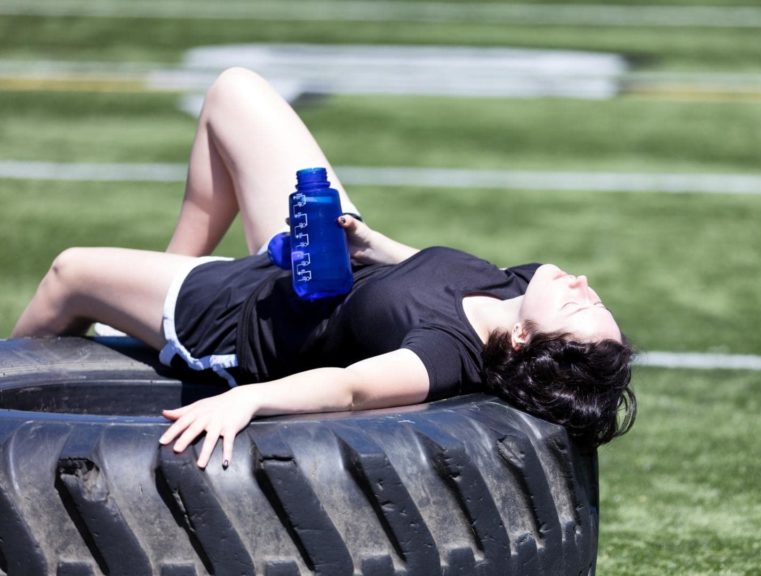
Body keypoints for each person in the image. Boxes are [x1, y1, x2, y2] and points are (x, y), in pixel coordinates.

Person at [11, 67, 636, 469]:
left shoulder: (441, 355)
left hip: (243, 316)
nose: (581, 285)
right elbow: (430, 272)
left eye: (577, 307)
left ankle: (10, 419)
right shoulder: (522, 288)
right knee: (234, 92)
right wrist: (369, 241)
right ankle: (166, 272)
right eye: (594, 298)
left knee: (69, 274)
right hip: (325, 257)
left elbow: (349, 389)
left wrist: (249, 401)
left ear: (524, 339)